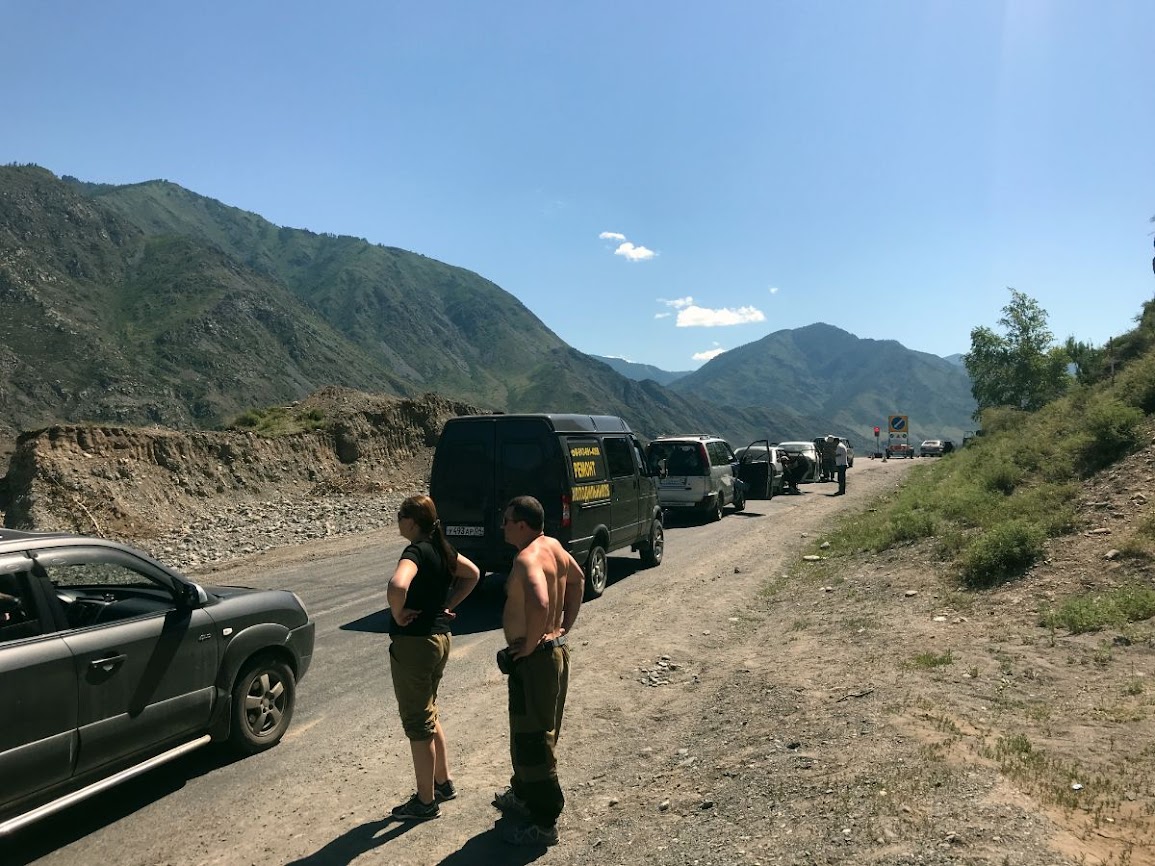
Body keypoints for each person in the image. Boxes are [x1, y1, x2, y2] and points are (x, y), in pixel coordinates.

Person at [492, 495, 584, 847]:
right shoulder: (554, 547)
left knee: (534, 739)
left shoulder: (527, 557)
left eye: (507, 520)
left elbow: (541, 600)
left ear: (523, 525)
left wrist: (529, 644)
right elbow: (576, 580)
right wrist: (565, 626)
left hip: (536, 661)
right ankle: (523, 795)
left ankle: (545, 822)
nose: (503, 525)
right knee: (529, 732)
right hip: (552, 654)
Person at [387, 494, 481, 821]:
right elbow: (473, 574)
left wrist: (397, 614)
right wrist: (449, 605)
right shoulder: (442, 548)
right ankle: (443, 782)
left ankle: (425, 802)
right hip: (441, 638)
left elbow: (397, 585)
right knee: (430, 711)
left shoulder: (415, 551)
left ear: (411, 522)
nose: (397, 520)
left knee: (419, 724)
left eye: (400, 515)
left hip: (415, 643)